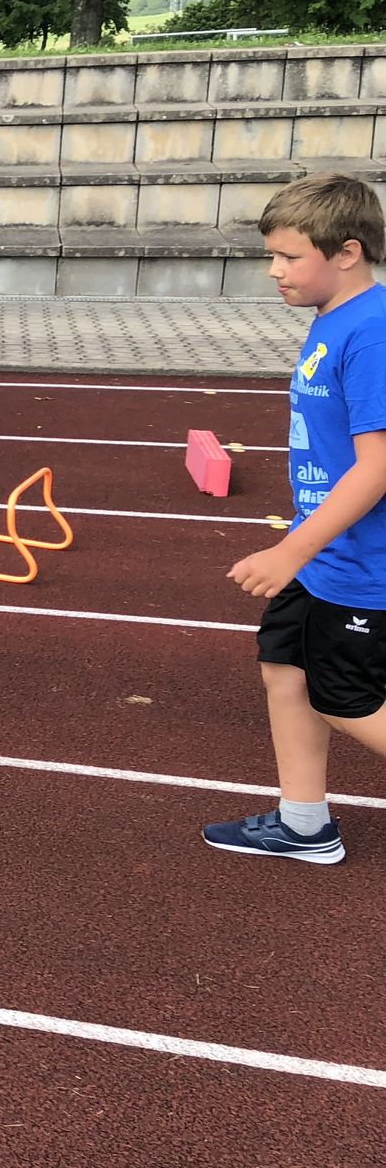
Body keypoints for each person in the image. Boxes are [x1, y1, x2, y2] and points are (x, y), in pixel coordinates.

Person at [202, 173, 386, 866]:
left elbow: (377, 468)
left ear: (347, 251)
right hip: (324, 554)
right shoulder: (333, 317)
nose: (274, 271)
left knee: (346, 698)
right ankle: (305, 825)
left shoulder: (372, 332)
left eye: (289, 257)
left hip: (361, 564)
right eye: (271, 256)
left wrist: (290, 550)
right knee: (285, 669)